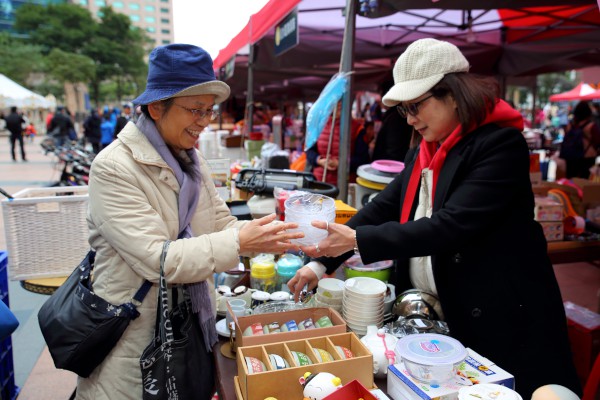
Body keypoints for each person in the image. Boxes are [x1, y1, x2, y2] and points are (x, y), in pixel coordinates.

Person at [287, 38, 581, 399]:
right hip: (443, 314)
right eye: (403, 110)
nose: (410, 119)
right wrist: (320, 261)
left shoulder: (500, 145)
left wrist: (357, 241)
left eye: (415, 106)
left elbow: (451, 226)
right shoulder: (424, 150)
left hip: (501, 314)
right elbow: (383, 207)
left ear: (454, 94)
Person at [78, 43, 303, 399]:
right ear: (155, 107)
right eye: (195, 110)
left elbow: (219, 220)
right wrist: (240, 242)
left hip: (186, 326)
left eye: (209, 111)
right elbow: (159, 259)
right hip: (134, 340)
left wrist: (261, 233)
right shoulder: (114, 167)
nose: (203, 121)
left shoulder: (190, 158)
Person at [306, 102, 363, 184]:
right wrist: (319, 160)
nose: (339, 104)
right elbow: (309, 151)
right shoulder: (319, 125)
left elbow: (362, 159)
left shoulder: (358, 128)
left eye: (342, 100)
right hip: (319, 181)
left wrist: (340, 163)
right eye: (336, 100)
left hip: (345, 183)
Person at [560, 101, 600, 179]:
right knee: (584, 182)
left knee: (571, 179)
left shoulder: (570, 125)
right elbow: (598, 141)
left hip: (570, 156)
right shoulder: (591, 126)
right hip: (587, 157)